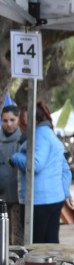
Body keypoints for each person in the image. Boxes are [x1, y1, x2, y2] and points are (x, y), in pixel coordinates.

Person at [9, 102, 73, 243]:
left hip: (39, 201)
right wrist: (65, 192)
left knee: (37, 247)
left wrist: (14, 157)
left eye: (23, 120)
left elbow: (36, 164)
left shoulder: (39, 135)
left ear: (32, 119)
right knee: (50, 243)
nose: (21, 124)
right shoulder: (50, 134)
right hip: (54, 198)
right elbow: (65, 169)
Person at [0, 105, 23, 245]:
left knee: (17, 239)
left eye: (12, 120)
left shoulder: (24, 140)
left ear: (18, 119)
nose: (9, 124)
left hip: (17, 199)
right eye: (5, 120)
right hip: (1, 198)